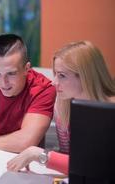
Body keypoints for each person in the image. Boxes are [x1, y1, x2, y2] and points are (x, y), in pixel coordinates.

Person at [7, 41, 115, 174]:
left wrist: (38, 154)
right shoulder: (63, 105)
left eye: (62, 76)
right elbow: (70, 158)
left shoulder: (110, 113)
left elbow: (98, 168)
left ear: (85, 76)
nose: (54, 82)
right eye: (55, 74)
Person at [0, 34, 56, 153]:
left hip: (25, 163)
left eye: (11, 74)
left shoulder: (43, 89)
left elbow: (25, 142)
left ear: (26, 69)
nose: (3, 82)